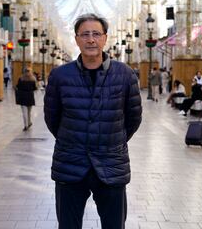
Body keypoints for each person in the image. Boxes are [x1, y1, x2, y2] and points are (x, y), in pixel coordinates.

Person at [44, 13, 142, 229]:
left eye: (96, 34)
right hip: (70, 164)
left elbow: (133, 117)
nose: (91, 40)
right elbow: (52, 118)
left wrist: (113, 141)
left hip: (111, 165)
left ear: (105, 38)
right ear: (77, 39)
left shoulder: (125, 75)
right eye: (85, 34)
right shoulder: (60, 76)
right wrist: (71, 141)